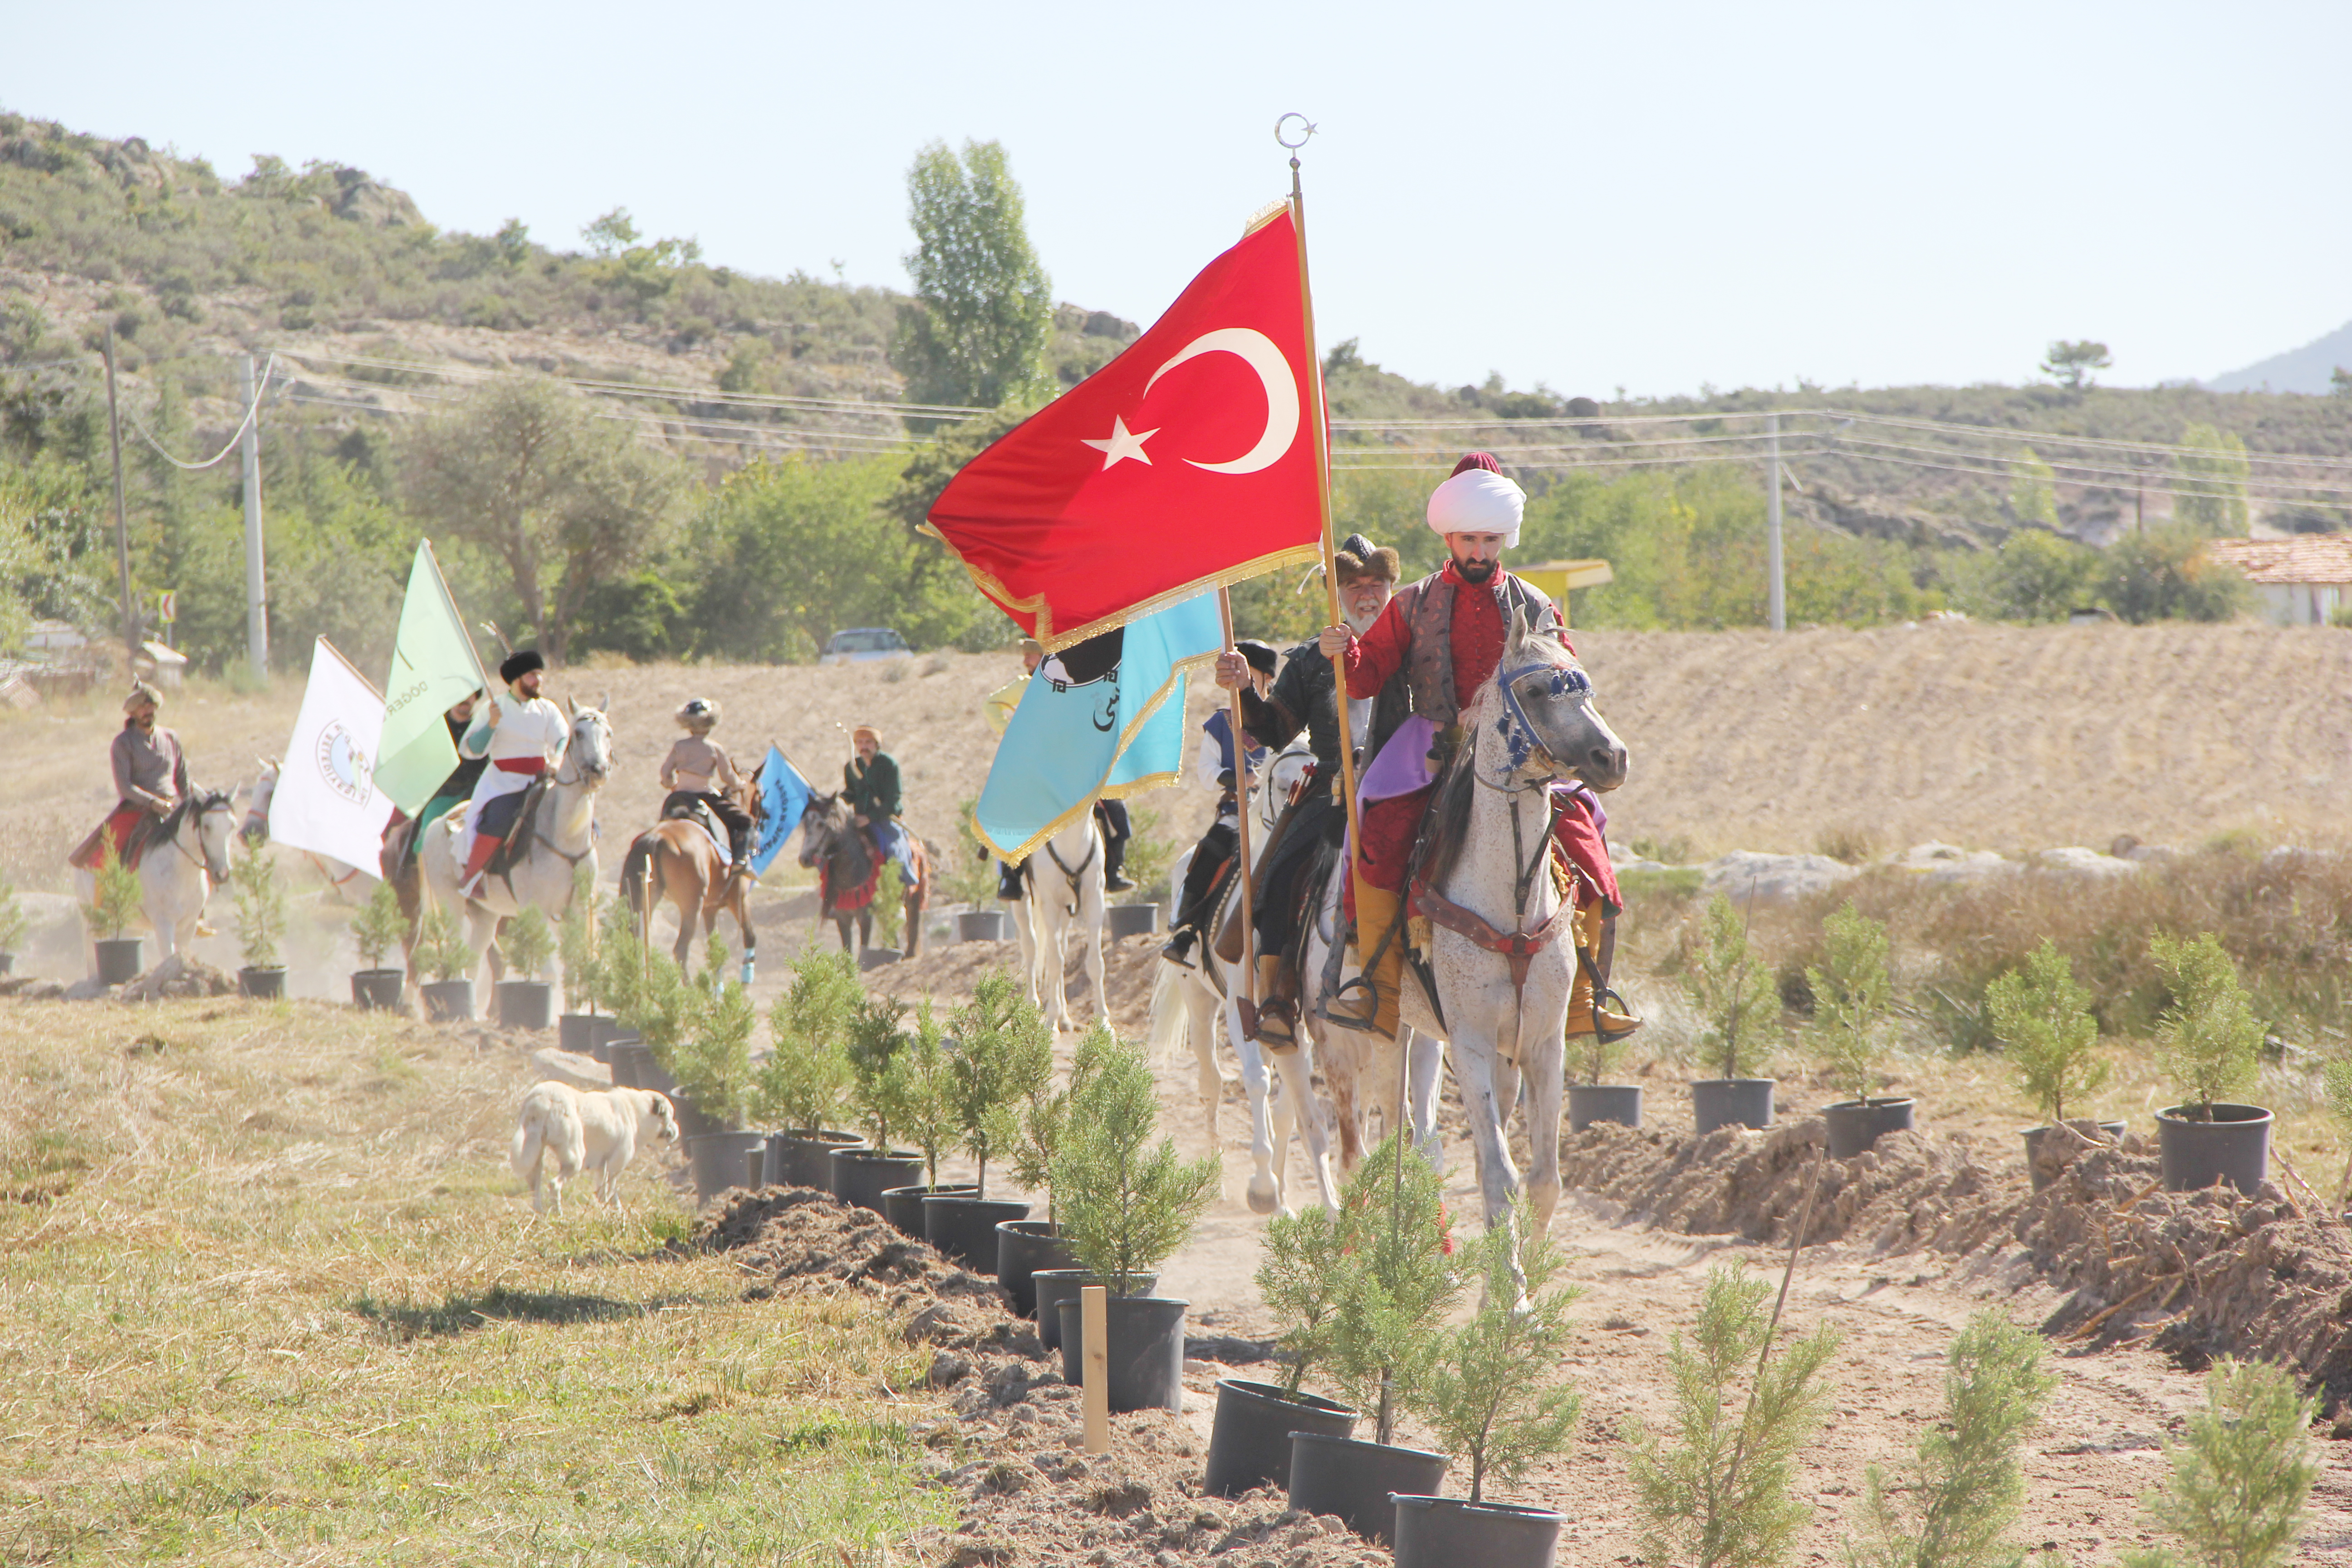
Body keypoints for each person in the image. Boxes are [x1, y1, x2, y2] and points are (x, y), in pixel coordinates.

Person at [1323, 455, 1634, 1042]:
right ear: (1448, 536)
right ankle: (1379, 990)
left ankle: (1587, 995)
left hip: (1528, 753)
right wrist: (1346, 652)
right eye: (1469, 539)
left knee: (1588, 845)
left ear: (1504, 538)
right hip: (1432, 748)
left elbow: (1565, 679)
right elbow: (1366, 680)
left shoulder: (1538, 605)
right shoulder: (1410, 603)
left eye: (1490, 540)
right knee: (1378, 838)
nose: (1479, 551)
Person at [1214, 536, 1401, 1044]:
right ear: (1334, 595)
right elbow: (1275, 731)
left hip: (1411, 783)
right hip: (1333, 791)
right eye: (1354, 586)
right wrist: (1245, 691)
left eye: (1376, 584)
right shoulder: (1308, 660)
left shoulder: (1417, 644)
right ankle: (1280, 996)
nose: (1366, 595)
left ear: (1392, 587)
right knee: (1281, 878)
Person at [980, 638, 1137, 897]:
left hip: (1075, 765)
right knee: (1012, 810)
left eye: (1031, 655)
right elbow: (990, 705)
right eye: (1026, 655)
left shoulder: (1077, 685)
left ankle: (1113, 871)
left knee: (1116, 809)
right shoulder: (1024, 686)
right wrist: (1010, 732)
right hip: (1038, 766)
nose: (1025, 660)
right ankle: (1012, 878)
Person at [1159, 639, 1277, 970]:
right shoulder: (1220, 723)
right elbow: (1207, 773)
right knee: (1212, 850)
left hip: (1278, 811)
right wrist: (1246, 780)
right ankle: (1186, 931)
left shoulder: (1283, 720)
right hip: (1237, 811)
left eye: (1248, 675)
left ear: (1268, 679)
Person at [459, 649, 568, 895]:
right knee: (500, 817)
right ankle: (472, 875)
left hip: (542, 779)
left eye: (540, 674)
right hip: (505, 782)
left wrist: (558, 758)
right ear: (517, 678)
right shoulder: (494, 708)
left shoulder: (548, 709)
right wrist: (491, 725)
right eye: (532, 675)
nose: (538, 680)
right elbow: (473, 750)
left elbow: (562, 737)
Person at [72, 680, 189, 871]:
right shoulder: (123, 744)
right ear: (133, 712)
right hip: (139, 809)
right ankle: (117, 892)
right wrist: (153, 803)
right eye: (142, 707)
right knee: (118, 859)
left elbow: (183, 780)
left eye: (151, 706)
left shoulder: (171, 738)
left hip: (172, 807)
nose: (148, 711)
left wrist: (190, 805)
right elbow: (125, 787)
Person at [388, 689, 488, 876]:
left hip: (476, 795)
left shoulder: (483, 727)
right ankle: (417, 872)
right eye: (460, 693)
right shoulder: (435, 727)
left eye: (470, 693)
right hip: (442, 794)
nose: (465, 699)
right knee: (427, 834)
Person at [659, 697, 755, 874]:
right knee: (745, 821)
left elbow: (665, 773)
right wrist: (740, 784)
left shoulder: (679, 746)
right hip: (703, 795)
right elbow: (728, 778)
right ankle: (740, 861)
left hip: (678, 795)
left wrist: (671, 784)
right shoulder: (714, 748)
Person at [845, 725, 917, 888]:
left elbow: (893, 801)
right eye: (860, 742)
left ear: (877, 744)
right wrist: (838, 800)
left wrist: (870, 818)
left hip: (885, 819)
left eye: (869, 742)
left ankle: (901, 889)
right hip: (858, 821)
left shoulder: (889, 765)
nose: (864, 746)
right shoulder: (852, 767)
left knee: (894, 854)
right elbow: (851, 792)